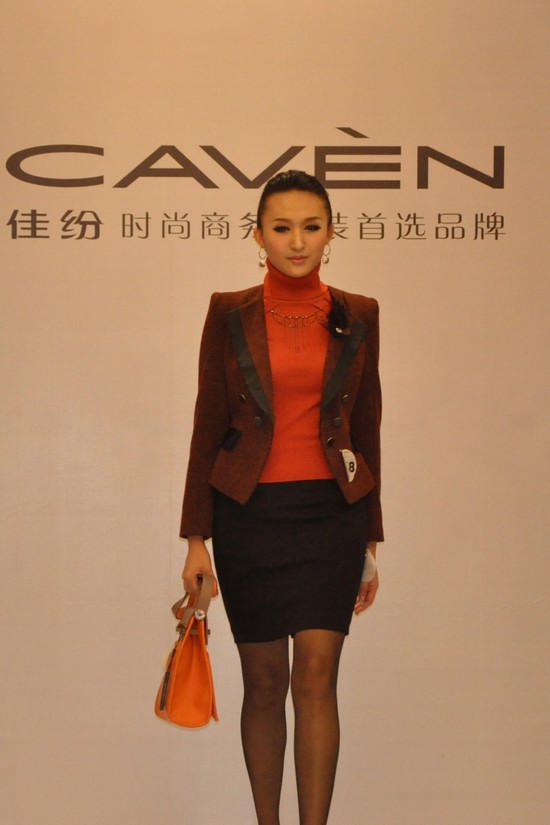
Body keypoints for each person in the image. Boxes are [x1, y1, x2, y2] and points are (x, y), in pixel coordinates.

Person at [180, 170, 383, 825]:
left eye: (311, 226)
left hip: (332, 516)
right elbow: (208, 425)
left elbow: (367, 428)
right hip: (249, 516)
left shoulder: (359, 312)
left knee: (317, 676)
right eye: (282, 227)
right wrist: (196, 540)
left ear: (330, 233)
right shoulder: (228, 311)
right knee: (265, 682)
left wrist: (371, 541)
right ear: (258, 235)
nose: (297, 241)